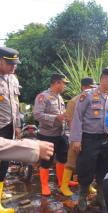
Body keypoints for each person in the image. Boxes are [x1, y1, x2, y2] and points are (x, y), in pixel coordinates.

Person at [69, 67, 108, 212]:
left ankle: (100, 196)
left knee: (105, 170)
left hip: (106, 140)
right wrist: (76, 139)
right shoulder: (87, 95)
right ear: (103, 79)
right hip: (88, 139)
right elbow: (77, 117)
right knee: (85, 169)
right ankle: (83, 197)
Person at [33, 73, 73, 196]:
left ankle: (61, 182)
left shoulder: (59, 97)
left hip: (60, 134)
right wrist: (56, 118)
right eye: (63, 84)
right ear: (56, 83)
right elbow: (37, 115)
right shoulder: (43, 97)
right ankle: (44, 186)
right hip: (47, 135)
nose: (65, 86)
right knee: (46, 161)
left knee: (62, 158)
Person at [60, 77, 97, 196]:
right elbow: (71, 122)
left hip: (90, 137)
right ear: (83, 87)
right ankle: (64, 186)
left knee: (88, 163)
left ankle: (87, 185)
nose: (92, 89)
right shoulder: (74, 101)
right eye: (90, 87)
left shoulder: (94, 99)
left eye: (93, 87)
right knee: (71, 162)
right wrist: (77, 138)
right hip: (77, 137)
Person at [0, 46, 22, 213]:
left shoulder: (12, 79)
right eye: (10, 64)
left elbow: (15, 104)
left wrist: (18, 127)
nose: (14, 67)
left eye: (15, 64)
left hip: (10, 127)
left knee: (4, 162)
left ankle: (0, 195)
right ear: (0, 61)